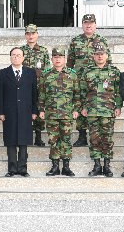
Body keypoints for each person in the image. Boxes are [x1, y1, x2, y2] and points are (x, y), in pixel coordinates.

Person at [67, 14, 112, 147]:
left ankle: (97, 135)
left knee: (96, 105)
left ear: (95, 25)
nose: (88, 25)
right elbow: (70, 62)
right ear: (82, 25)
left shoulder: (102, 41)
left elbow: (108, 62)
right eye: (86, 23)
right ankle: (82, 136)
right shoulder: (75, 41)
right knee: (80, 104)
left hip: (97, 80)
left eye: (91, 23)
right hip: (80, 80)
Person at [80, 43, 122, 177]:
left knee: (107, 138)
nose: (100, 56)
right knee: (94, 138)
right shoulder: (87, 71)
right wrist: (83, 107)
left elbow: (118, 91)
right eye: (97, 54)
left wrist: (118, 106)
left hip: (108, 110)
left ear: (106, 55)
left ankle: (107, 165)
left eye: (102, 54)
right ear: (94, 56)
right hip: (92, 110)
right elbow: (82, 91)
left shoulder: (114, 71)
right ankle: (97, 165)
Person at [0, 47, 38, 177]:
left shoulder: (31, 72)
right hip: (9, 111)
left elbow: (34, 93)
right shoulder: (3, 73)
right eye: (13, 55)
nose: (16, 57)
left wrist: (34, 110)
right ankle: (12, 169)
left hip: (26, 111)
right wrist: (1, 111)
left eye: (19, 55)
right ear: (10, 57)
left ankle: (23, 169)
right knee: (11, 141)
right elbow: (0, 94)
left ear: (23, 58)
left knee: (23, 141)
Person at [39, 48, 80, 177]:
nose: (58, 59)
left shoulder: (72, 75)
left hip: (67, 113)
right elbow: (41, 94)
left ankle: (66, 167)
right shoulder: (45, 75)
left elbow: (77, 95)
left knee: (66, 140)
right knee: (53, 140)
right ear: (51, 59)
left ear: (65, 59)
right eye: (55, 57)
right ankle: (55, 166)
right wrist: (41, 109)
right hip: (51, 113)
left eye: (60, 57)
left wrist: (76, 109)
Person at [20, 24, 50, 147]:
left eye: (33, 34)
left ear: (37, 35)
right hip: (25, 87)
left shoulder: (43, 51)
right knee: (25, 111)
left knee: (39, 110)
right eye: (28, 34)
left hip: (39, 86)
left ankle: (38, 136)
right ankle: (26, 136)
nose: (31, 36)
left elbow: (47, 69)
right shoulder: (21, 51)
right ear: (25, 36)